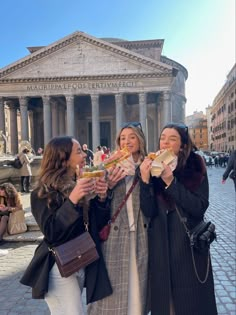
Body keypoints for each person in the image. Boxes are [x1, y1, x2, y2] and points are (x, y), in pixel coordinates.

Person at [20, 136, 112, 315]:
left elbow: (95, 224)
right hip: (58, 266)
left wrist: (101, 198)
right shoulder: (42, 193)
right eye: (78, 152)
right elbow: (52, 233)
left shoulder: (79, 184)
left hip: (80, 259)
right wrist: (73, 200)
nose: (85, 154)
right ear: (63, 158)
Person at [139, 122, 217, 315]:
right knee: (166, 305)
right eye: (163, 138)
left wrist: (170, 182)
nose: (165, 142)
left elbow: (199, 207)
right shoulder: (153, 166)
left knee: (191, 304)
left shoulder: (194, 164)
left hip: (186, 246)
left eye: (172, 139)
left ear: (182, 145)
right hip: (160, 248)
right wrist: (145, 181)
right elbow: (148, 211)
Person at [88, 122, 150, 315]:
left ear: (140, 140)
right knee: (114, 290)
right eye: (123, 138)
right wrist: (108, 186)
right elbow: (97, 204)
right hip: (115, 236)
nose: (127, 141)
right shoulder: (109, 165)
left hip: (142, 233)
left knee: (138, 289)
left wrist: (143, 176)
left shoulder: (149, 165)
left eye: (132, 137)